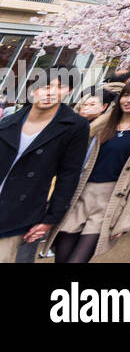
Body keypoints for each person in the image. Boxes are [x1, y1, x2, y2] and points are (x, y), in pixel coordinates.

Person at [51, 74, 130, 262]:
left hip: (110, 200)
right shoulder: (102, 125)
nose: (129, 100)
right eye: (126, 95)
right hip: (81, 195)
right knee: (61, 257)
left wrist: (125, 219)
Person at [0, 69, 89, 263]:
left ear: (69, 91)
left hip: (23, 211)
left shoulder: (74, 126)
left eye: (60, 87)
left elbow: (69, 174)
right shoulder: (9, 121)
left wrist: (51, 218)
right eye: (45, 86)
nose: (50, 92)